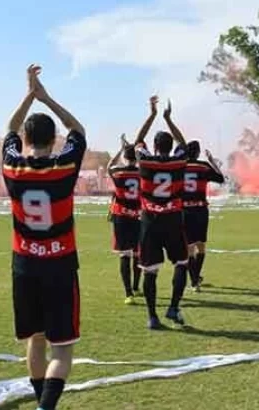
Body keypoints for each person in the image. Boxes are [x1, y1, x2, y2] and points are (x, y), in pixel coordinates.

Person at [2, 65, 86, 410]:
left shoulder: (12, 167)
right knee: (63, 348)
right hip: (60, 264)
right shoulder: (63, 167)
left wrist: (28, 94)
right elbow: (78, 129)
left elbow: (9, 128)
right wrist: (46, 97)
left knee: (35, 340)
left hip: (24, 265)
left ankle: (41, 404)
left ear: (25, 139)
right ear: (54, 140)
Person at [133, 96, 189, 330]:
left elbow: (137, 141)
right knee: (182, 263)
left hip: (149, 221)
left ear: (154, 147)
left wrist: (152, 114)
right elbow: (184, 144)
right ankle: (174, 307)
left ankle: (152, 316)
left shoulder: (145, 161)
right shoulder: (178, 161)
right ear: (170, 146)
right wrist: (168, 118)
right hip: (173, 218)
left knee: (150, 270)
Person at [183, 140, 225, 291]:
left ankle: (194, 280)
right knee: (201, 245)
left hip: (185, 211)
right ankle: (196, 279)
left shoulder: (180, 166)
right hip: (200, 210)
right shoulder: (203, 166)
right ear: (198, 152)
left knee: (189, 248)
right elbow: (221, 179)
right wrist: (212, 161)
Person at [107, 134, 142, 305]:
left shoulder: (117, 172)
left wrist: (120, 148)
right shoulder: (143, 173)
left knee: (124, 254)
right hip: (138, 215)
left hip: (121, 215)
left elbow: (109, 165)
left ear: (124, 157)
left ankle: (128, 293)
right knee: (137, 252)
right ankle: (136, 286)